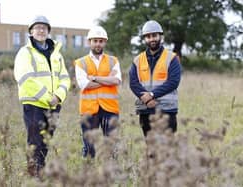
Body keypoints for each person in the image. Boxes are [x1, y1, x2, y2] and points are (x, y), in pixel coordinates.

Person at [14, 15, 71, 177]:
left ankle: (40, 172)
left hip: (53, 105)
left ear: (48, 31)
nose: (41, 30)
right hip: (34, 105)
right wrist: (48, 97)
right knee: (35, 142)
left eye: (44, 28)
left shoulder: (56, 54)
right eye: (37, 27)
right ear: (31, 32)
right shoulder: (25, 53)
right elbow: (25, 78)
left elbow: (65, 78)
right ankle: (34, 176)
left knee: (46, 142)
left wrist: (58, 96)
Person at [74, 26, 122, 158]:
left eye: (101, 41)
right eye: (95, 40)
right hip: (88, 109)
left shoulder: (113, 61)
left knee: (111, 146)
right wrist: (107, 79)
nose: (98, 44)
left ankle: (111, 175)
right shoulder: (81, 63)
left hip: (110, 108)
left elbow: (116, 80)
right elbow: (84, 84)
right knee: (89, 147)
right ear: (89, 42)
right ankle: (89, 176)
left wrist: (94, 77)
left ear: (105, 42)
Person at [129, 20, 181, 137]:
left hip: (167, 110)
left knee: (167, 149)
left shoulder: (172, 58)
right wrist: (147, 100)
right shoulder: (137, 60)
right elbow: (133, 83)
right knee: (151, 149)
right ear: (144, 39)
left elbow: (173, 82)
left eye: (154, 35)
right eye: (148, 36)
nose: (151, 39)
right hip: (145, 110)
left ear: (160, 36)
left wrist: (152, 95)